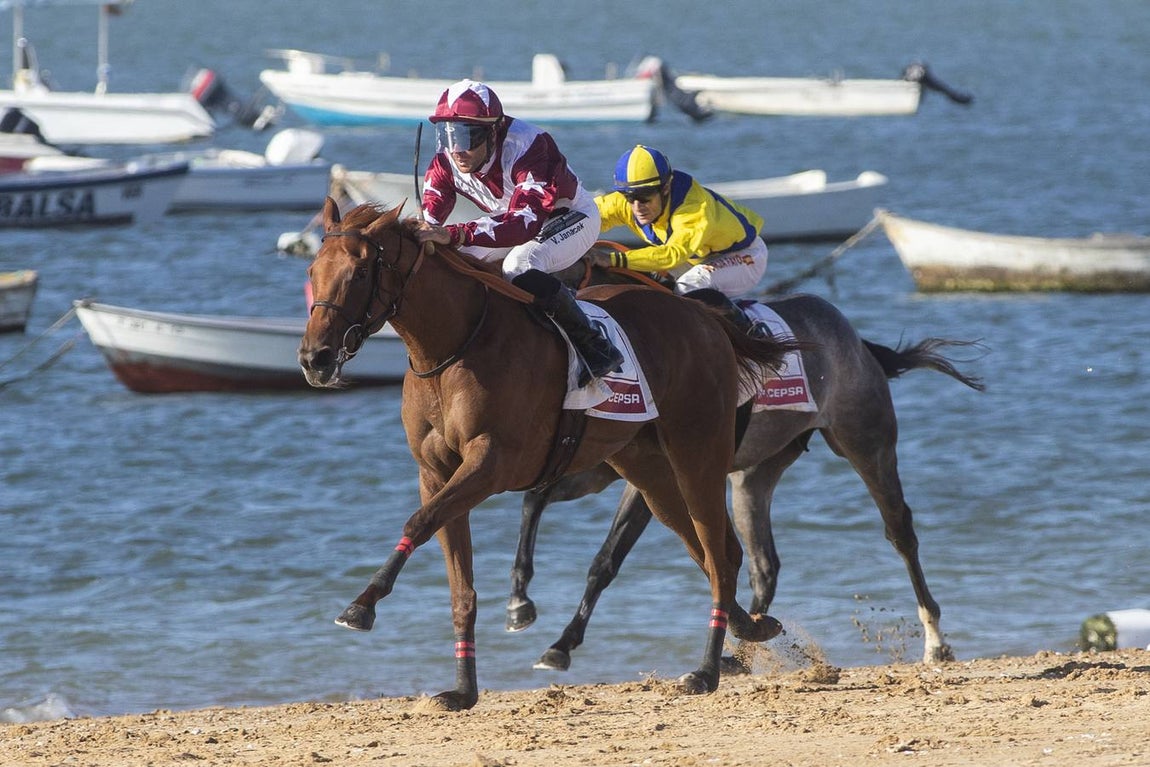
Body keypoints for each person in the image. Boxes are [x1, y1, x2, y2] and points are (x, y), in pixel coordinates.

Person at [413, 79, 622, 385]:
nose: (456, 149)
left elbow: (526, 222)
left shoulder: (531, 146)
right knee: (450, 260)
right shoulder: (447, 159)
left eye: (466, 135)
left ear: (492, 131)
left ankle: (594, 347)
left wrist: (456, 233)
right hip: (511, 220)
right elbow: (431, 220)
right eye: (446, 135)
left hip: (569, 218)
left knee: (518, 265)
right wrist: (422, 232)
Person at [593, 144, 769, 333]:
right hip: (694, 259)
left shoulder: (694, 208)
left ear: (666, 187)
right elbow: (588, 216)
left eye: (645, 197)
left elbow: (673, 255)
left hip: (745, 256)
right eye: (629, 197)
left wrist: (612, 259)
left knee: (688, 287)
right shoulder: (627, 203)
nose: (637, 206)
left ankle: (753, 335)